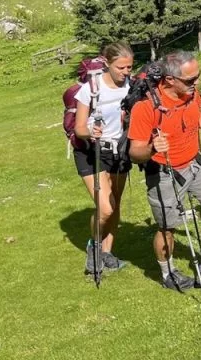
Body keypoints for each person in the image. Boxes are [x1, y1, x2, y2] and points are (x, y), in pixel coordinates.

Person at [127, 51, 201, 291]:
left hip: (194, 162)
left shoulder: (189, 93)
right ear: (169, 80)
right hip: (164, 171)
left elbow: (196, 116)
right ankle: (168, 274)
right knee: (168, 227)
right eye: (190, 80)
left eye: (198, 76)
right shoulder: (146, 108)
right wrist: (151, 147)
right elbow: (134, 152)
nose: (196, 83)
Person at [73, 41, 134, 276]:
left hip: (119, 150)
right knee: (106, 208)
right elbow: (79, 128)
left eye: (129, 67)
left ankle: (108, 253)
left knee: (115, 202)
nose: (125, 72)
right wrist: (91, 132)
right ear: (107, 64)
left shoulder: (131, 86)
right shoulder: (91, 89)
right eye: (121, 67)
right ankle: (94, 245)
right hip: (91, 151)